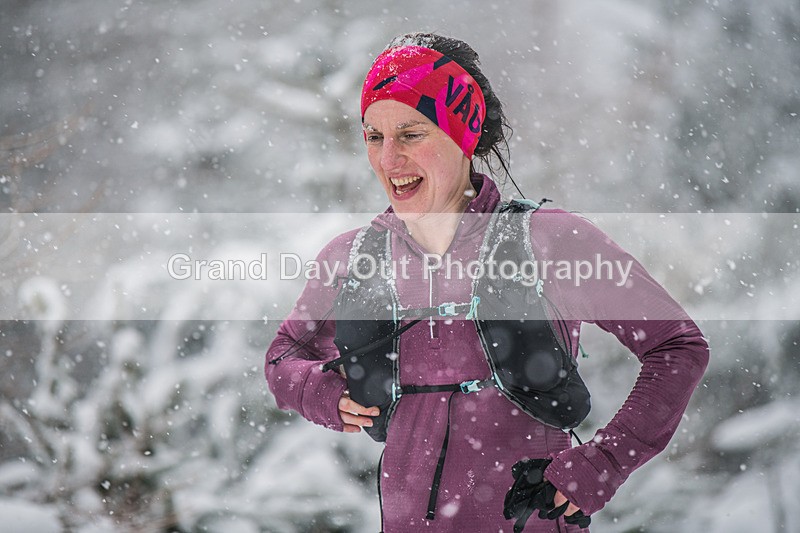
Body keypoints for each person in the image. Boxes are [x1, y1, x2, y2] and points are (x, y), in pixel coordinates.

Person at [265, 32, 709, 532]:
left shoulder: (549, 241)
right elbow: (284, 355)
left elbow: (677, 346)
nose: (389, 159)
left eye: (411, 134)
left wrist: (601, 464)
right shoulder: (354, 258)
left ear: (463, 136)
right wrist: (321, 394)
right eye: (374, 136)